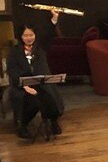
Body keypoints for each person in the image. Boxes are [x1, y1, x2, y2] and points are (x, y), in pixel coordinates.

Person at [7, 10, 65, 138]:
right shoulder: (14, 52)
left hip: (42, 83)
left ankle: (53, 122)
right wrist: (25, 86)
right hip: (23, 86)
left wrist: (54, 18)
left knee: (50, 98)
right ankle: (23, 126)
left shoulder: (40, 47)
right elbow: (12, 71)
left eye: (31, 35)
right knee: (33, 101)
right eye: (25, 35)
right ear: (20, 36)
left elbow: (49, 34)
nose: (29, 38)